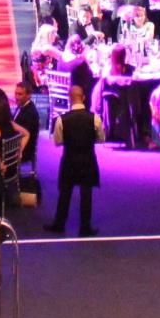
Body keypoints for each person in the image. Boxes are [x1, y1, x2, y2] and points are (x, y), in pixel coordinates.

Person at [44, 84, 103, 237]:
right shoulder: (94, 118)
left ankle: (59, 224)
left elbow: (58, 141)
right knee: (86, 193)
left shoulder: (62, 120)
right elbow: (101, 139)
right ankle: (85, 227)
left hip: (69, 159)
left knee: (65, 192)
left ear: (70, 99)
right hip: (88, 159)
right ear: (83, 98)